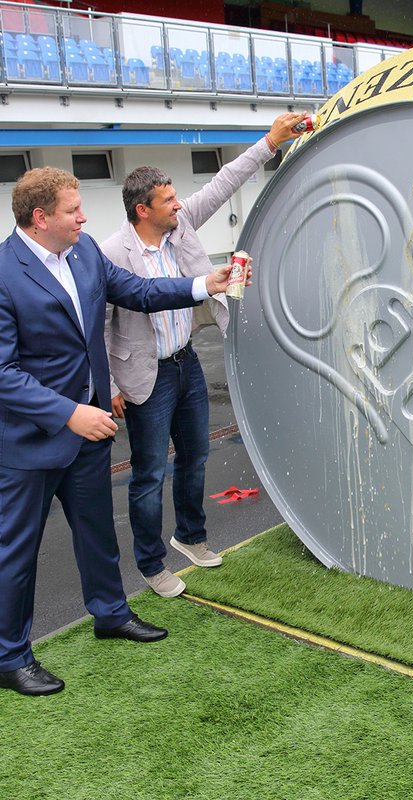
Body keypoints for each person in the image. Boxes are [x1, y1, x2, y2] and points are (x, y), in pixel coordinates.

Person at [0, 167, 235, 696]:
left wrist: (204, 284)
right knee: (17, 546)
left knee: (96, 530)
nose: (83, 217)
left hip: (86, 426)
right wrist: (70, 413)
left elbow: (136, 290)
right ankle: (9, 658)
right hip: (25, 439)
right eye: (72, 210)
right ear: (40, 218)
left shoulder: (85, 251)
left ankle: (110, 613)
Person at [102, 113, 304, 598]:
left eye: (176, 197)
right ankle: (152, 566)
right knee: (149, 472)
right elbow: (97, 324)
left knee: (195, 456)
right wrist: (107, 385)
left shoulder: (182, 225)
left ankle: (190, 537)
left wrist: (270, 143)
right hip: (143, 377)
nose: (179, 205)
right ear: (141, 210)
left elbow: (224, 180)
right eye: (168, 200)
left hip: (184, 361)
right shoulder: (111, 253)